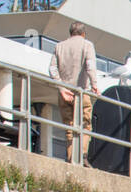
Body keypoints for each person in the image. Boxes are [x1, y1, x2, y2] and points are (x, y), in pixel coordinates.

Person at [48, 21, 100, 161]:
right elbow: (90, 67)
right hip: (81, 92)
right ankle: (82, 155)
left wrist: (62, 88)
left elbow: (52, 69)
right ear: (83, 33)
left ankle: (71, 157)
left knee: (69, 127)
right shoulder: (87, 45)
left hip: (64, 93)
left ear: (70, 33)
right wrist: (95, 85)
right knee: (85, 125)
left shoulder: (59, 46)